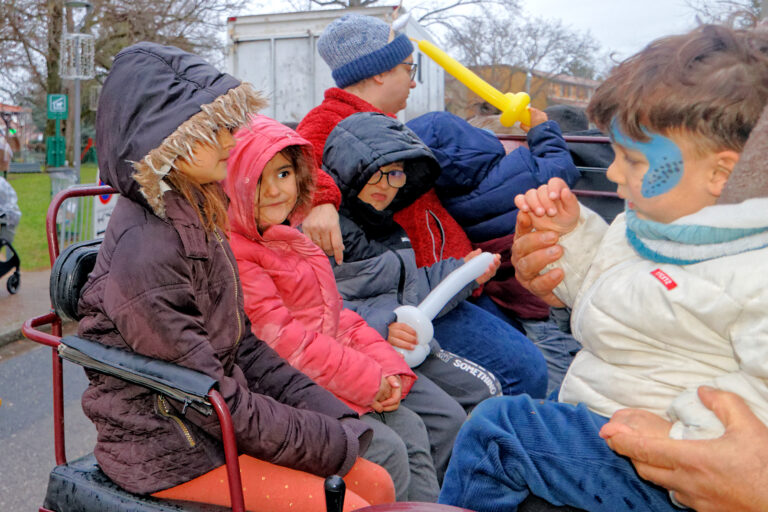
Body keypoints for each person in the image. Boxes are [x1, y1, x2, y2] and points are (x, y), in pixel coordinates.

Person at [438, 23, 768, 512]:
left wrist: (682, 435)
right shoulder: (659, 225)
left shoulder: (753, 272)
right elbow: (610, 292)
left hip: (673, 466)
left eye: (632, 160)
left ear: (720, 173)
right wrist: (568, 238)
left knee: (500, 430)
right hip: (605, 416)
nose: (612, 172)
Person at [77, 42, 394, 512]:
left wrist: (332, 415)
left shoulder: (198, 213)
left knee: (380, 484)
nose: (231, 140)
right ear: (163, 139)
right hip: (168, 449)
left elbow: (242, 344)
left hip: (206, 424)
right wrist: (331, 438)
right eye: (215, 128)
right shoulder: (147, 250)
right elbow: (205, 395)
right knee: (350, 502)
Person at [224, 113, 442, 502]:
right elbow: (283, 342)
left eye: (285, 174)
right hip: (284, 389)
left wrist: (388, 370)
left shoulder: (291, 240)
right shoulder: (240, 254)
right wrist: (367, 380)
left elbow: (337, 317)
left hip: (330, 380)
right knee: (387, 452)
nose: (276, 190)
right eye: (259, 178)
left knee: (413, 429)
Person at [323, 111, 548, 403]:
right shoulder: (325, 231)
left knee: (497, 385)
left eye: (395, 174)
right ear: (349, 168)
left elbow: (408, 288)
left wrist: (462, 274)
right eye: (375, 170)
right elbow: (316, 305)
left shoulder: (386, 226)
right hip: (369, 346)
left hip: (403, 335)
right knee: (485, 394)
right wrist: (383, 325)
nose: (385, 185)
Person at [407, 108, 582, 394]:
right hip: (553, 284)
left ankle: (545, 409)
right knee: (566, 351)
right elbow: (561, 167)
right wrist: (542, 129)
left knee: (549, 352)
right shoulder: (521, 172)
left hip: (514, 297)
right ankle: (564, 407)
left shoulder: (448, 202)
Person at [296, 13, 473, 271]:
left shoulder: (389, 124)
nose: (413, 82)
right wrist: (319, 202)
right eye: (409, 68)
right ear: (380, 72)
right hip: (416, 291)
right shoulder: (330, 119)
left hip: (450, 274)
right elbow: (299, 162)